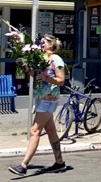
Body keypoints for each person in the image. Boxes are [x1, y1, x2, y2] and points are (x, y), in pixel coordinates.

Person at [8, 35, 66, 176]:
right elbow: (36, 76)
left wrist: (46, 78)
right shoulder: (41, 58)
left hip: (49, 98)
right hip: (40, 97)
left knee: (34, 131)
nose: (42, 44)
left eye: (44, 42)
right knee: (51, 131)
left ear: (51, 44)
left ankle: (23, 165)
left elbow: (61, 80)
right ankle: (60, 162)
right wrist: (28, 70)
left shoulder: (56, 59)